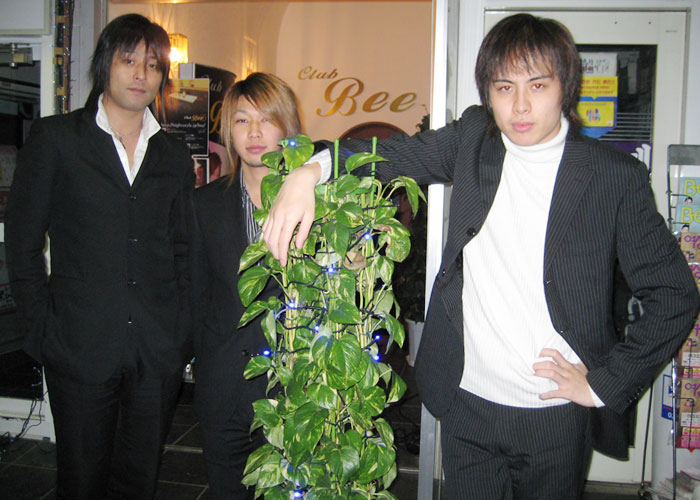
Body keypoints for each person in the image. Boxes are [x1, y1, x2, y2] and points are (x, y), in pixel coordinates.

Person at [261, 14, 699, 499]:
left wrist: (603, 384)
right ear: (488, 93)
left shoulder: (611, 176)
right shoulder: (475, 140)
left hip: (555, 414)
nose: (521, 105)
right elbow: (392, 155)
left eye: (538, 85)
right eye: (504, 87)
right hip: (467, 404)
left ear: (566, 87)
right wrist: (310, 171)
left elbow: (674, 294)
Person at [5, 14, 194, 500]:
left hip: (156, 349)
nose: (140, 74)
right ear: (105, 63)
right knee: (82, 480)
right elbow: (23, 244)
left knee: (139, 480)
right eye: (128, 60)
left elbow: (182, 249)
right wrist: (42, 331)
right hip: (78, 345)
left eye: (152, 65)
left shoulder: (174, 155)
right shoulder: (57, 140)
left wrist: (180, 335)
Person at [191, 72, 302, 499]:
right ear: (228, 131)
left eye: (266, 119)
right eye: (242, 120)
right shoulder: (203, 205)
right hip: (224, 392)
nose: (254, 132)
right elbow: (196, 298)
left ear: (287, 126)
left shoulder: (318, 204)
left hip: (296, 393)